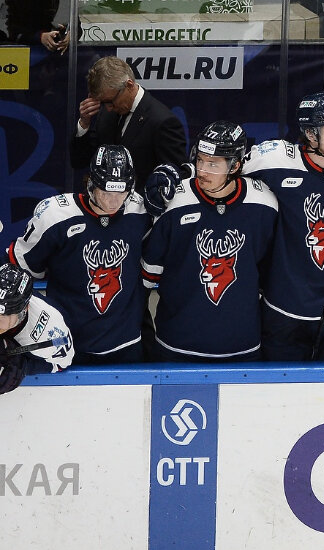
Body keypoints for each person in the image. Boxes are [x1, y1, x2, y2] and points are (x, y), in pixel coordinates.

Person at [213, 91, 324, 361]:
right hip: (285, 307)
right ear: (311, 135)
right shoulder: (274, 159)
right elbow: (218, 169)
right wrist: (181, 173)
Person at [140, 121, 278, 363]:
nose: (202, 170)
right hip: (176, 345)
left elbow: (271, 276)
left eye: (213, 164)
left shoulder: (265, 204)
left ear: (235, 165)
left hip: (243, 348)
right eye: (200, 160)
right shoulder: (172, 201)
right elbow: (147, 276)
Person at [7, 145, 150, 364]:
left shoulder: (140, 211)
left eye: (121, 192)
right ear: (90, 184)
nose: (114, 201)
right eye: (106, 192)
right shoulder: (56, 216)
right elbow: (18, 271)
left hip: (127, 344)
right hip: (68, 341)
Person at [70, 56, 186, 192]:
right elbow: (79, 162)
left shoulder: (162, 122)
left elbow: (177, 178)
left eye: (110, 101)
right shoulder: (107, 113)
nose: (108, 108)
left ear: (129, 85)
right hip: (106, 207)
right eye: (102, 103)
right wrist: (84, 123)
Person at [0, 263, 73, 395]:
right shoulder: (10, 310)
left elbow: (61, 364)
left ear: (23, 310)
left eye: (0, 315)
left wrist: (25, 367)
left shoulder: (50, 334)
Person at [2, 0, 69, 52]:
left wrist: (70, 34)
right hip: (22, 54)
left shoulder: (64, 4)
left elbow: (73, 23)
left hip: (59, 56)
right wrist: (40, 36)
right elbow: (8, 30)